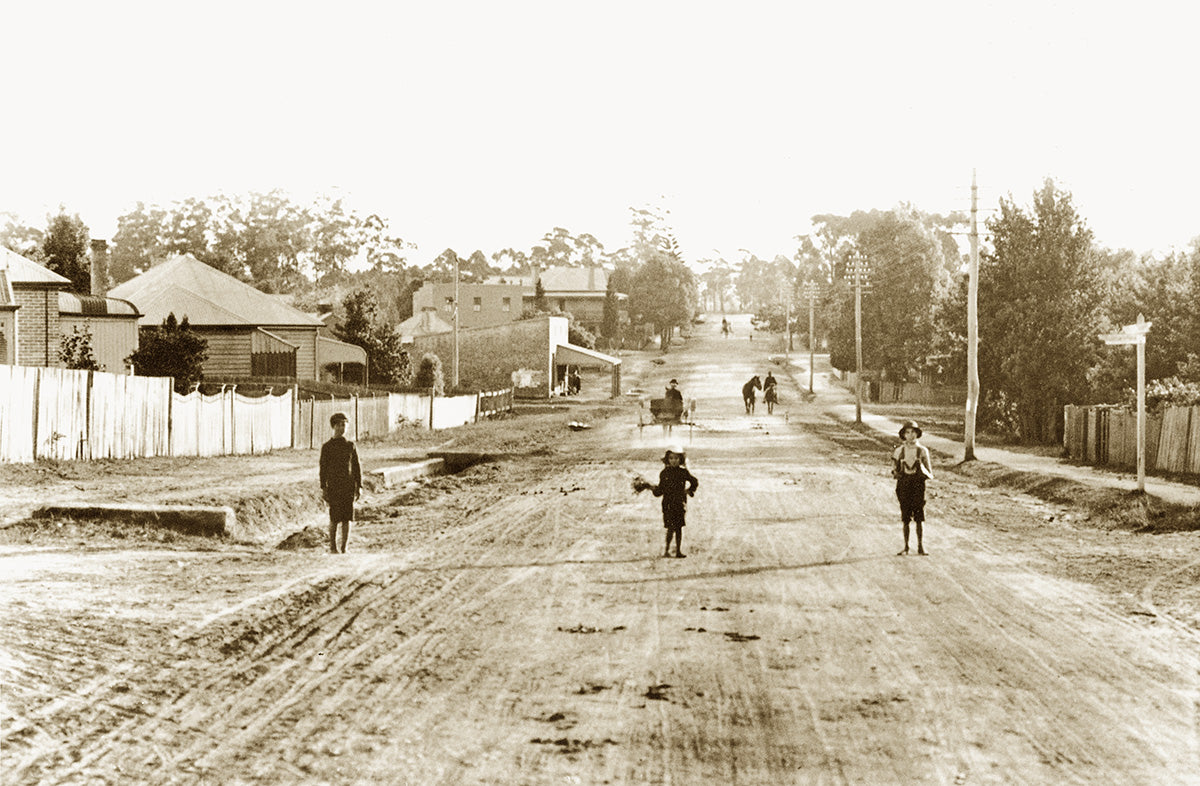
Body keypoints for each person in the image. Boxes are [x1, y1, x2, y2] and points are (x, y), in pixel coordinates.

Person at [320, 412, 361, 554]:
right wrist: (323, 488)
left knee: (347, 518)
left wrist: (359, 486)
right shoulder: (327, 447)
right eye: (339, 425)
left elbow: (356, 467)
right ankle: (332, 547)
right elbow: (323, 469)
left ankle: (344, 547)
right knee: (334, 518)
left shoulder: (350, 446)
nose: (342, 428)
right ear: (333, 426)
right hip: (334, 487)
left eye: (344, 425)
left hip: (348, 486)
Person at [649, 444, 699, 558]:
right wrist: (652, 488)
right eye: (671, 458)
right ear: (667, 459)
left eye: (676, 458)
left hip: (679, 503)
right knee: (670, 528)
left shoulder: (683, 472)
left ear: (680, 459)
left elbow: (694, 481)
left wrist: (689, 490)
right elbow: (660, 491)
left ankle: (678, 551)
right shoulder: (664, 473)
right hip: (667, 504)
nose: (674, 461)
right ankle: (666, 550)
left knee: (679, 528)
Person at [891, 420, 933, 555]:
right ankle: (906, 546)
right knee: (905, 518)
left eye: (913, 432)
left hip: (918, 486)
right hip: (904, 486)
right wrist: (896, 472)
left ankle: (921, 546)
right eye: (907, 432)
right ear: (903, 435)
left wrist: (922, 472)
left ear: (917, 434)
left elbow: (929, 472)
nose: (911, 435)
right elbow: (894, 469)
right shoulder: (899, 451)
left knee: (919, 518)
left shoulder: (922, 451)